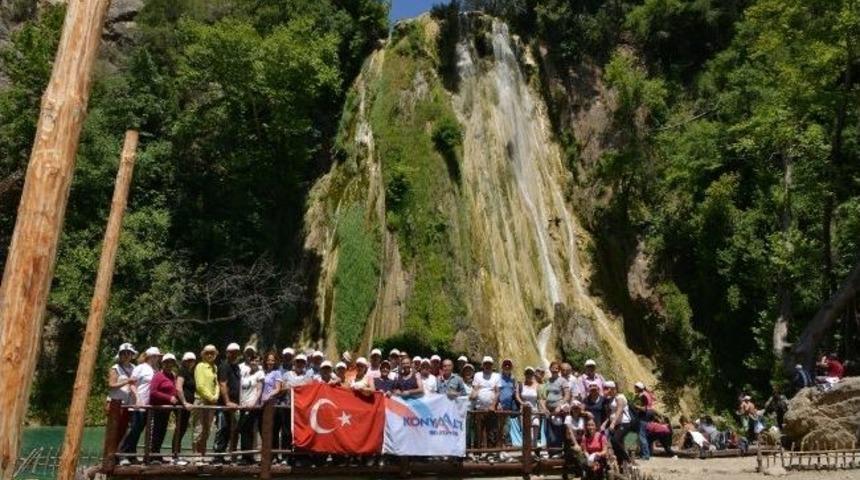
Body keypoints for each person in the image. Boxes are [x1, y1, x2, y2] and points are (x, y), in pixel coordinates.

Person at [118, 346, 161, 465]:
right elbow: (132, 383)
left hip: (148, 405)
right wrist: (137, 399)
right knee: (134, 429)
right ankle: (122, 454)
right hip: (138, 404)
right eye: (155, 356)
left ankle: (132, 455)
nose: (157, 358)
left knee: (139, 430)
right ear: (149, 356)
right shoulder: (140, 368)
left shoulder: (155, 370)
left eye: (158, 356)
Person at [213, 343, 241, 464]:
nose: (234, 354)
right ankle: (217, 456)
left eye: (236, 352)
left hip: (234, 405)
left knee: (232, 429)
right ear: (227, 353)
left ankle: (227, 455)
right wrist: (227, 401)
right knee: (222, 429)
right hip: (224, 405)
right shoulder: (224, 366)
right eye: (232, 352)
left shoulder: (236, 367)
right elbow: (223, 384)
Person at [149, 353, 179, 463]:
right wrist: (169, 398)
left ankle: (156, 454)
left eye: (171, 362)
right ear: (163, 363)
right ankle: (151, 456)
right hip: (158, 408)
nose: (169, 364)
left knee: (162, 432)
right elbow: (153, 392)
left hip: (166, 410)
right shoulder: (158, 376)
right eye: (166, 362)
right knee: (156, 432)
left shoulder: (172, 375)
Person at [107, 343, 137, 447]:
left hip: (129, 404)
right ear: (119, 355)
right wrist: (127, 381)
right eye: (124, 353)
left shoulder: (134, 367)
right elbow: (111, 385)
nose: (126, 355)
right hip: (116, 403)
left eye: (129, 353)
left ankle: (121, 452)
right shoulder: (115, 368)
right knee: (115, 430)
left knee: (127, 429)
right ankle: (112, 453)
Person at [193, 345, 219, 461]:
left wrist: (215, 396)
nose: (209, 355)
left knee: (207, 429)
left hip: (211, 402)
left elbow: (216, 384)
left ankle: (202, 454)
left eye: (212, 353)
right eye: (207, 353)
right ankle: (195, 456)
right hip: (201, 401)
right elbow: (200, 386)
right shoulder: (200, 366)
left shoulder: (215, 367)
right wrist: (210, 397)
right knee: (199, 429)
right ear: (203, 354)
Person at [238, 355, 265, 465]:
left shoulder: (260, 373)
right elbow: (242, 388)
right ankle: (245, 456)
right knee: (243, 430)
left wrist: (252, 404)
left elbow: (259, 390)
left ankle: (248, 457)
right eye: (253, 360)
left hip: (252, 406)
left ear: (259, 362)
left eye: (257, 360)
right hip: (243, 405)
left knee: (247, 430)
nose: (254, 362)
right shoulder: (246, 372)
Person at [172, 352, 196, 465]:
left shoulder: (190, 373)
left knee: (182, 428)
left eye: (192, 360)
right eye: (188, 360)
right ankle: (175, 456)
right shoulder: (182, 371)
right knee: (180, 428)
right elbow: (178, 387)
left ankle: (177, 454)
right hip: (182, 406)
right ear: (183, 361)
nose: (190, 362)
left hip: (186, 406)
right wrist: (184, 402)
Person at [605, 380, 635, 469]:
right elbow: (611, 413)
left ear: (613, 388)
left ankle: (628, 459)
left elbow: (619, 410)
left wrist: (613, 423)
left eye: (607, 388)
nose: (606, 390)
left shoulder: (620, 397)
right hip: (617, 424)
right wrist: (606, 423)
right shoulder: (612, 398)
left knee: (615, 440)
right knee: (616, 444)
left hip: (624, 422)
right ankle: (621, 464)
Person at [541, 361, 570, 454]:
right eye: (553, 368)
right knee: (548, 431)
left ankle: (557, 451)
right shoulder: (547, 381)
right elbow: (544, 396)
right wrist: (544, 408)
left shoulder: (563, 381)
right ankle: (550, 451)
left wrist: (560, 405)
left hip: (558, 410)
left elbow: (567, 395)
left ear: (559, 370)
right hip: (548, 410)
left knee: (557, 430)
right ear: (550, 369)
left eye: (557, 368)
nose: (555, 370)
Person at [632, 382, 654, 460]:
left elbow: (644, 408)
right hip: (645, 417)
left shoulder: (643, 396)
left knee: (642, 436)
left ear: (639, 388)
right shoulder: (644, 394)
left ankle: (646, 455)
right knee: (643, 436)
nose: (634, 389)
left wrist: (635, 406)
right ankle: (644, 453)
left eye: (635, 387)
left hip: (643, 417)